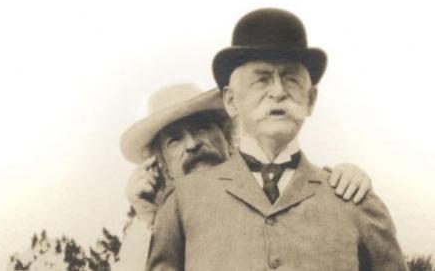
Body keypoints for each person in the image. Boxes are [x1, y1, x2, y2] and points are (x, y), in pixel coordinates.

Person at [146, 9, 408, 270]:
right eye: (261, 80)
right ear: (231, 101)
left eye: (291, 79)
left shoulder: (354, 199)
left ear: (311, 99)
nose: (278, 92)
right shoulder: (183, 201)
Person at [116, 84, 373, 271]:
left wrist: (344, 182)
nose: (192, 144)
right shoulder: (150, 228)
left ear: (228, 138)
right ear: (161, 166)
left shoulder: (279, 185)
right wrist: (149, 217)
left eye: (203, 128)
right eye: (174, 141)